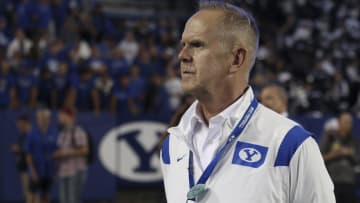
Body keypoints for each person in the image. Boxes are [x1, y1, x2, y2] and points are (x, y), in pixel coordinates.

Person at [160, 2, 335, 203]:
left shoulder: (290, 145)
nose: (182, 56)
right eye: (183, 44)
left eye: (197, 44)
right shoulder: (173, 144)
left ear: (236, 59)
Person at [321, 112, 359, 203]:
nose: (347, 124)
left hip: (349, 182)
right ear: (339, 123)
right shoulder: (329, 139)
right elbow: (320, 158)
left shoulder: (355, 142)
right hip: (332, 181)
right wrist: (334, 154)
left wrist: (350, 153)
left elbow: (358, 160)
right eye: (344, 121)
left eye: (349, 122)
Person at [53, 108, 89, 203]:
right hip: (63, 171)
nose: (59, 118)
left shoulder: (78, 131)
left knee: (73, 200)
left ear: (68, 116)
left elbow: (85, 150)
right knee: (64, 200)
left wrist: (65, 153)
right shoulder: (62, 133)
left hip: (76, 171)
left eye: (61, 116)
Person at [24, 109, 57, 203]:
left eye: (45, 118)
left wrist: (55, 169)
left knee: (46, 196)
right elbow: (28, 154)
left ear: (49, 120)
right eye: (40, 118)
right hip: (36, 170)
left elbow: (56, 152)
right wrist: (33, 171)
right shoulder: (31, 134)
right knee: (32, 196)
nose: (42, 121)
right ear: (37, 120)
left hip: (49, 171)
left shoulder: (54, 133)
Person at [10, 114, 32, 203]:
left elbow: (31, 149)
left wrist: (19, 148)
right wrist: (17, 149)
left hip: (30, 168)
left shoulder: (32, 134)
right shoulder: (22, 135)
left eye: (20, 125)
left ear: (25, 123)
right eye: (18, 125)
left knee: (32, 194)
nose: (19, 127)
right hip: (23, 168)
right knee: (27, 194)